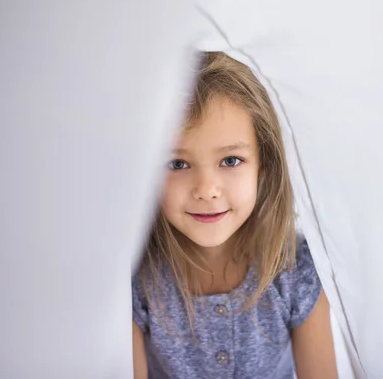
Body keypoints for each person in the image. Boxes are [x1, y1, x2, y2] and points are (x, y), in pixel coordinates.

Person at [132, 52, 337, 379]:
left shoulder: (296, 270)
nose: (207, 190)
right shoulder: (137, 279)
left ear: (264, 166)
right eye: (177, 164)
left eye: (230, 161)